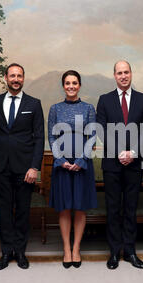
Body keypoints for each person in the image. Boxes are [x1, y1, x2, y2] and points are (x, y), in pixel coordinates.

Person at [96, 61, 143, 270]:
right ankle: (113, 252)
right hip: (112, 163)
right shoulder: (104, 100)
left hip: (134, 164)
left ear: (131, 74)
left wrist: (133, 153)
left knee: (130, 209)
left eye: (126, 72)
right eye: (119, 73)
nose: (123, 76)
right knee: (113, 209)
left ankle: (129, 251)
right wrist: (120, 152)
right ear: (114, 75)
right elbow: (101, 130)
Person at [0, 63, 45, 270]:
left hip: (25, 168)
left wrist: (34, 167)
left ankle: (20, 252)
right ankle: (6, 252)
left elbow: (39, 138)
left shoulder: (34, 103)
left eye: (19, 76)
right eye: (12, 75)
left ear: (24, 78)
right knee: (4, 211)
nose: (15, 79)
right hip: (0, 165)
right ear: (6, 78)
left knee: (22, 211)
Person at [48, 70, 97, 269]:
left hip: (82, 164)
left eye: (74, 83)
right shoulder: (55, 108)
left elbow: (93, 136)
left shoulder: (88, 108)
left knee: (80, 207)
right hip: (62, 165)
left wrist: (81, 159)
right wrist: (60, 160)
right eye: (67, 83)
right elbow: (51, 137)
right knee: (65, 207)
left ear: (79, 85)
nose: (71, 86)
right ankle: (66, 249)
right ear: (63, 85)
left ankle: (76, 248)